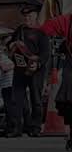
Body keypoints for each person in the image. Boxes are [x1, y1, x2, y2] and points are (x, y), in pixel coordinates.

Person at [7, 5, 50, 138]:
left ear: (36, 16)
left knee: (36, 100)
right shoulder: (20, 30)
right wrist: (12, 45)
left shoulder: (41, 32)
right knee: (16, 100)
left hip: (35, 70)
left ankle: (35, 128)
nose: (27, 18)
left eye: (30, 16)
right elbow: (10, 44)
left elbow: (45, 53)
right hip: (20, 68)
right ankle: (17, 128)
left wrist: (37, 64)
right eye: (25, 16)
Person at [39, 13, 72, 149]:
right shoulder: (67, 20)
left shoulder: (67, 20)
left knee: (69, 105)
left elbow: (44, 29)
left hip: (70, 73)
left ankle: (70, 137)